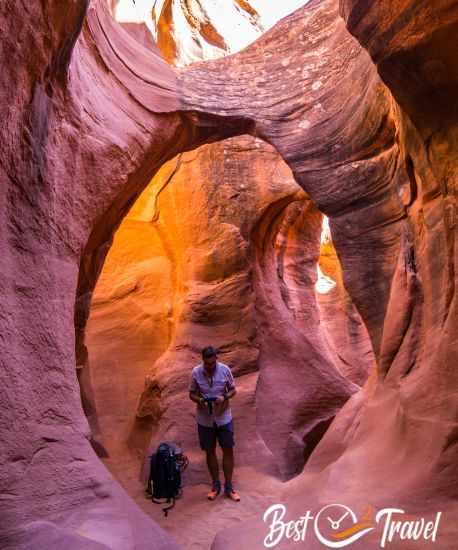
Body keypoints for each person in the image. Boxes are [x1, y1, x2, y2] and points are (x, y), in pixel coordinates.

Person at [189, 346, 240, 502]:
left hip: (224, 417)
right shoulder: (196, 372)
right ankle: (215, 486)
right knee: (210, 451)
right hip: (205, 420)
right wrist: (201, 400)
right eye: (207, 364)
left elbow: (233, 390)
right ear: (203, 361)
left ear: (216, 359)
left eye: (212, 364)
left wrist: (224, 397)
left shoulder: (224, 370)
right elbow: (191, 393)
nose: (210, 367)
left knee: (228, 450)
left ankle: (229, 487)